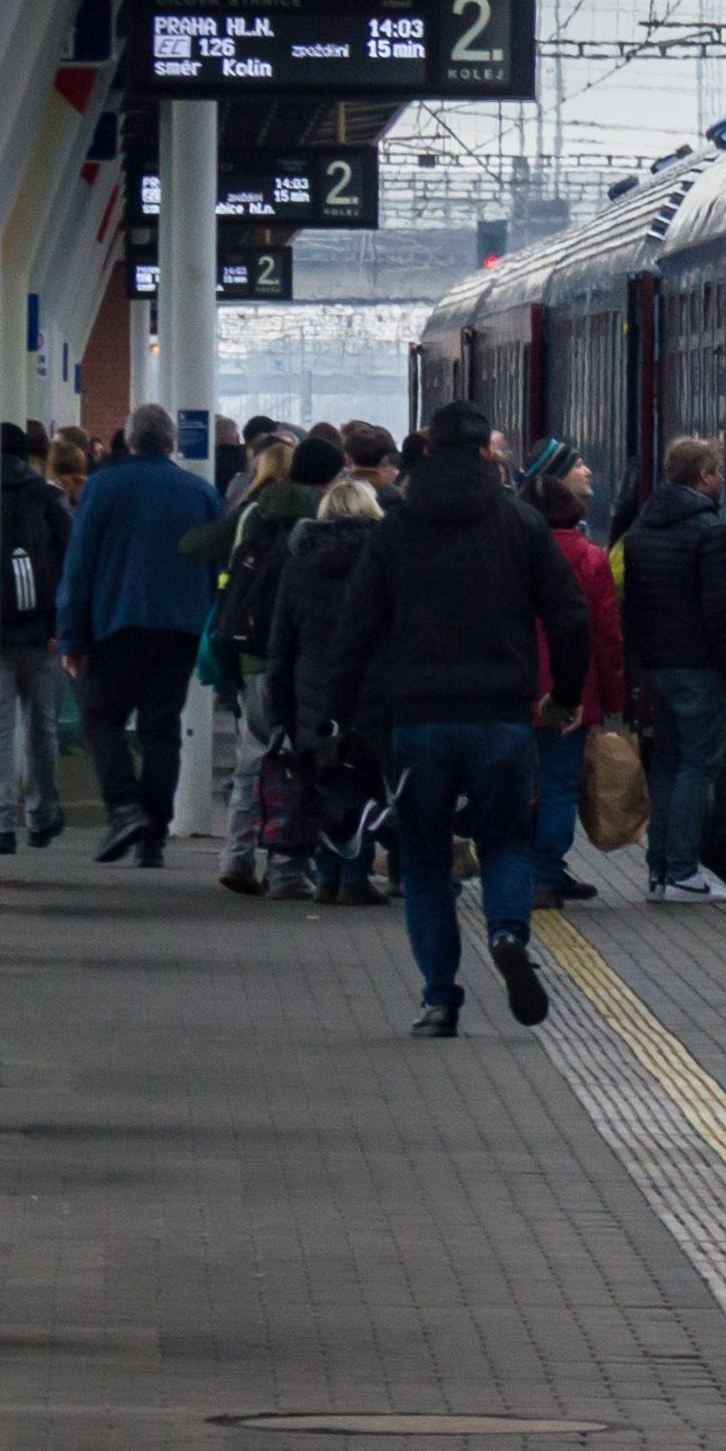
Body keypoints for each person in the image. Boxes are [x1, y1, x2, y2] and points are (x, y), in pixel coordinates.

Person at [326, 401, 592, 1035]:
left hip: (418, 723)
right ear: (485, 455)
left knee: (423, 860)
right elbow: (569, 614)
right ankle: (505, 935)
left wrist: (340, 716)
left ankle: (439, 997)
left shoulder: (395, 529)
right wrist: (565, 696)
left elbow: (356, 629)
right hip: (502, 717)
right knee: (505, 842)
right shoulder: (520, 524)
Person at [53, 402, 228, 865]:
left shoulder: (104, 487)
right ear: (171, 442)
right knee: (161, 728)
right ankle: (153, 835)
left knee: (102, 719)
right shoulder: (200, 492)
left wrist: (72, 636)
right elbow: (219, 564)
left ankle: (125, 809)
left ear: (129, 441)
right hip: (183, 628)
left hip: (117, 624)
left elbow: (80, 564)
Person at [204, 427, 342, 889]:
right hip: (301, 661)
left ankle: (235, 856)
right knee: (299, 763)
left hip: (251, 654)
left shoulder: (254, 512)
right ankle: (287, 871)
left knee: (252, 758)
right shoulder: (324, 519)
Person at [622, 435, 726, 903]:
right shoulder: (710, 532)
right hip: (699, 668)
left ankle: (659, 871)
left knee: (666, 764)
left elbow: (631, 605)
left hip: (656, 667)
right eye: (718, 472)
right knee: (698, 765)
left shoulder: (640, 529)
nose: (722, 480)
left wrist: (637, 666)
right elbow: (721, 611)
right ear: (703, 476)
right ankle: (683, 871)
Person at [258, 471, 390, 900]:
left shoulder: (299, 564)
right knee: (366, 780)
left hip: (310, 690)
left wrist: (280, 711)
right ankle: (355, 876)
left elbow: (281, 645)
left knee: (322, 782)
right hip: (369, 688)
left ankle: (330, 875)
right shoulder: (384, 560)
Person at [524, 453, 628, 907]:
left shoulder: (511, 552)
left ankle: (525, 871)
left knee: (520, 784)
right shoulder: (590, 558)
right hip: (572, 689)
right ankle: (547, 873)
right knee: (561, 784)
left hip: (514, 687)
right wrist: (613, 697)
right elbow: (606, 635)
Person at [0, 422, 73, 847]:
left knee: (0, 728)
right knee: (42, 726)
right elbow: (69, 562)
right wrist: (63, 625)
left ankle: (1, 821)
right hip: (42, 630)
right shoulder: (47, 497)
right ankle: (41, 814)